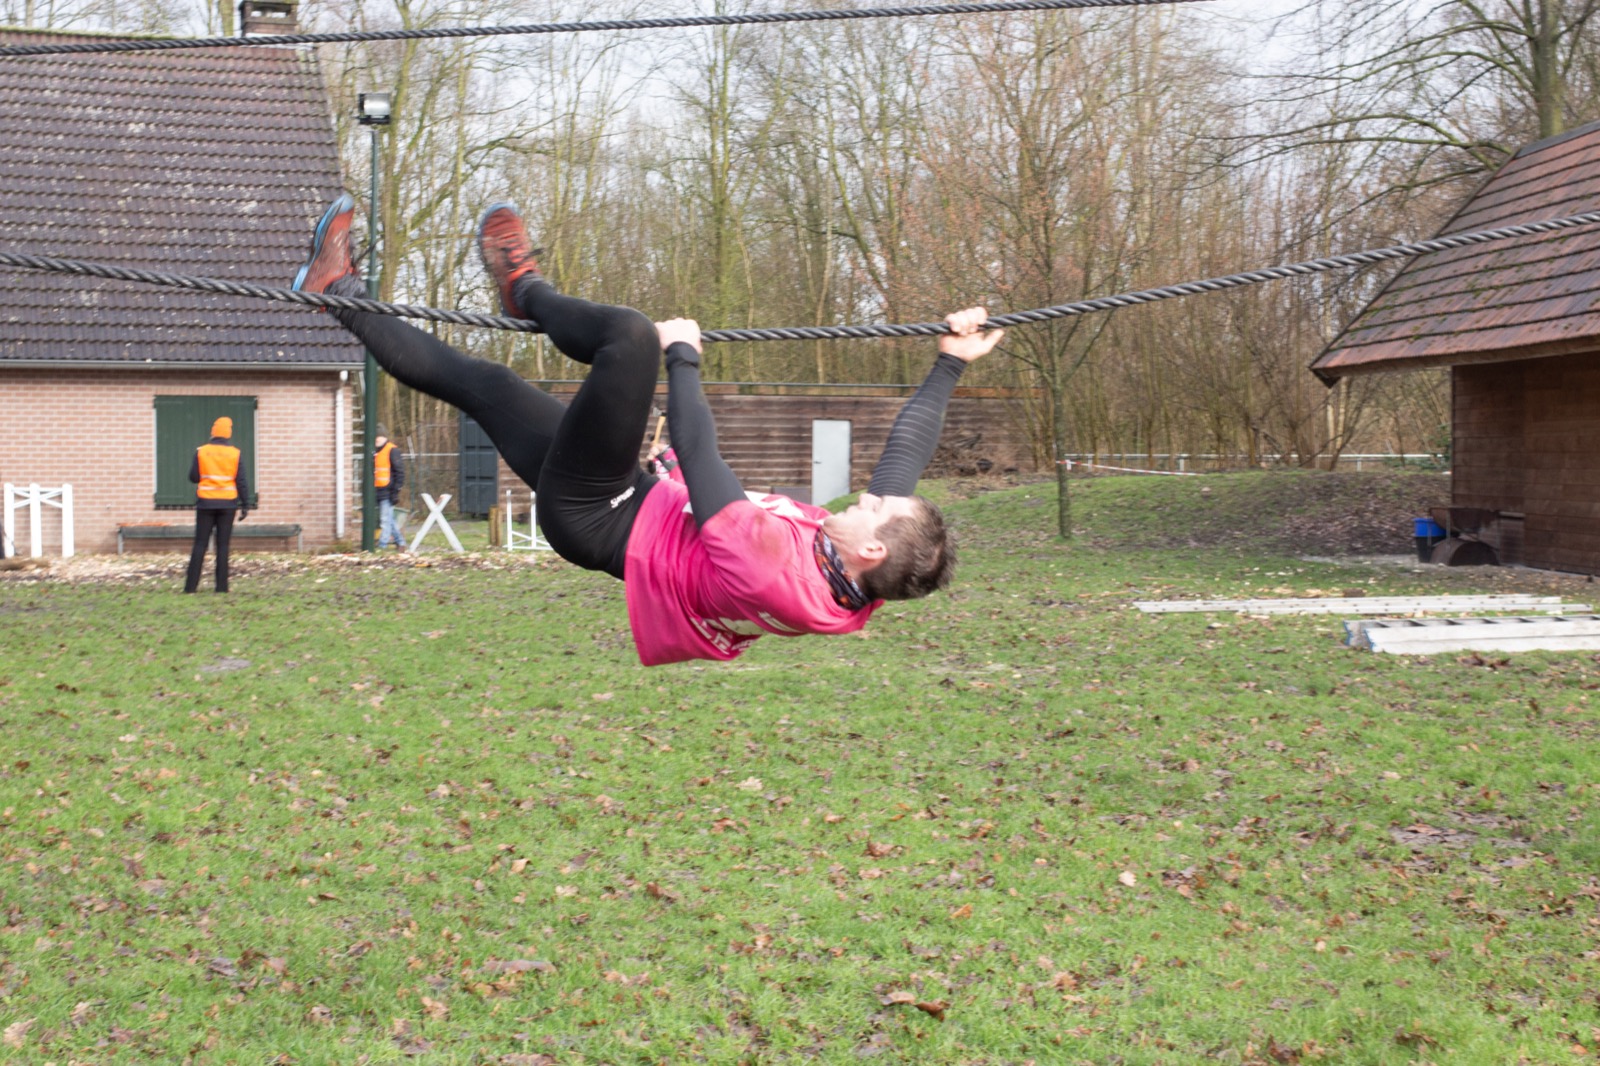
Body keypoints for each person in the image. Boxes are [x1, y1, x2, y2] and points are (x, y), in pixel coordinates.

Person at [292, 193, 1003, 664]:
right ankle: (338, 292)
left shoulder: (778, 573)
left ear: (873, 549)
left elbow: (699, 452)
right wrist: (950, 361)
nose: (867, 496)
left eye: (874, 508)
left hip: (598, 514)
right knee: (488, 385)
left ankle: (525, 290)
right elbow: (903, 457)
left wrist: (682, 356)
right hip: (629, 502)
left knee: (631, 338)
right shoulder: (854, 565)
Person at [184, 416, 250, 593]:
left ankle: (190, 587)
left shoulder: (201, 451)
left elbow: (193, 477)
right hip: (228, 504)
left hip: (205, 503)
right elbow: (241, 481)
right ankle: (221, 587)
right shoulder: (235, 453)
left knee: (200, 544)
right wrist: (245, 504)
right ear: (228, 434)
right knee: (223, 546)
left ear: (213, 433)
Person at [372, 426, 407, 550]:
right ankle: (401, 543)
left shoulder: (392, 450)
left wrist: (396, 491)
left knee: (385, 520)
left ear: (385, 437)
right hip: (378, 490)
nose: (377, 439)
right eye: (376, 436)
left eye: (380, 436)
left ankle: (382, 545)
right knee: (388, 519)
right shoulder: (374, 452)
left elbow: (400, 472)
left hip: (388, 490)